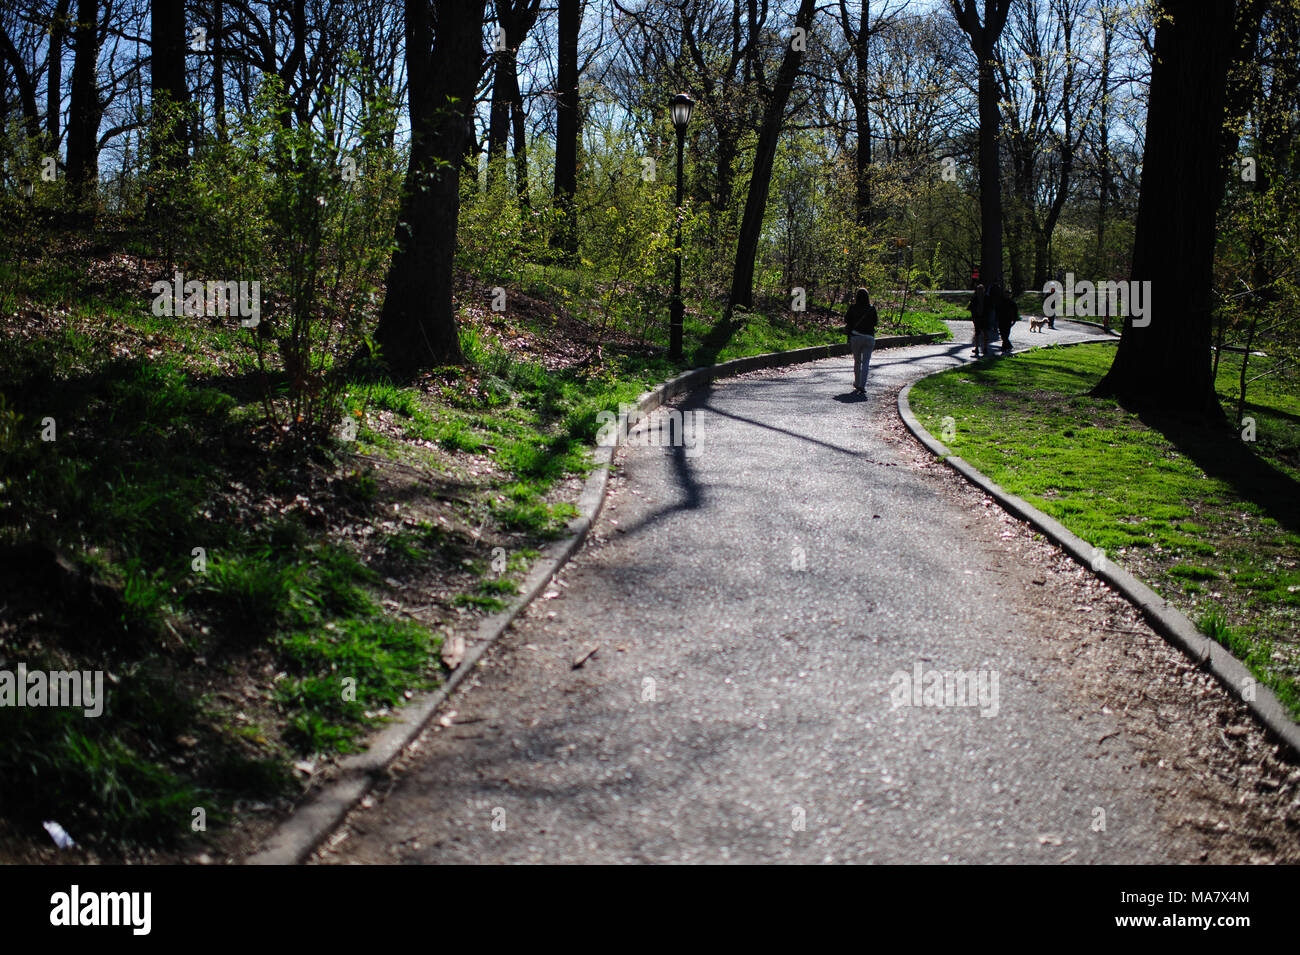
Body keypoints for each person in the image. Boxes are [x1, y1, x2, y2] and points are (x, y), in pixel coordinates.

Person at [844, 288, 878, 394]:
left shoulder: (853, 308)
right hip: (869, 337)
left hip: (856, 337)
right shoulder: (871, 309)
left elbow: (846, 320)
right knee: (866, 362)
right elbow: (875, 322)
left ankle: (857, 382)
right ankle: (863, 385)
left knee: (857, 361)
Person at [996, 285, 1018, 354]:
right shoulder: (1001, 302)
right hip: (1001, 319)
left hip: (1008, 320)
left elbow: (1015, 312)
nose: (1007, 295)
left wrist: (1014, 319)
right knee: (1002, 333)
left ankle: (1004, 346)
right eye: (1006, 294)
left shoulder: (1012, 303)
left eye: (1008, 294)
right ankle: (1008, 345)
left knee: (1006, 333)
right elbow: (997, 310)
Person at [984, 282, 1002, 355]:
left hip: (993, 304)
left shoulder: (991, 288)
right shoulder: (998, 288)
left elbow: (988, 295)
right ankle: (995, 327)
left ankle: (993, 327)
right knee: (995, 316)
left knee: (993, 316)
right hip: (995, 304)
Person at [968, 284, 986, 357]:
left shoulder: (986, 298)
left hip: (984, 317)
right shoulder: (974, 298)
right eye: (979, 289)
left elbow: (990, 308)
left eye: (981, 289)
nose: (980, 291)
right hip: (977, 317)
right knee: (978, 334)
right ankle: (977, 347)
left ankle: (984, 347)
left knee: (984, 333)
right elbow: (970, 307)